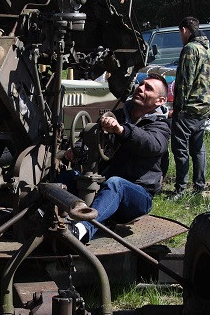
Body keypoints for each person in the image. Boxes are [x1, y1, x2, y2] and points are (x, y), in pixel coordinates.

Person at [65, 74, 171, 243]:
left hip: (138, 195)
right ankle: (39, 214)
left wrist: (122, 130)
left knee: (116, 184)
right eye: (141, 84)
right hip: (106, 187)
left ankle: (83, 229)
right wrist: (77, 150)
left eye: (148, 88)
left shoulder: (160, 126)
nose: (140, 88)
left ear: (160, 101)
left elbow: (151, 145)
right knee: (69, 178)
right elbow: (92, 139)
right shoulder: (117, 115)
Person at [171, 16, 210, 198]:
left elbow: (184, 81)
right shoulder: (207, 50)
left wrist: (178, 107)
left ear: (185, 30)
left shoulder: (190, 49)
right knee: (198, 148)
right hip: (203, 107)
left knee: (180, 149)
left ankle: (181, 188)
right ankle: (199, 185)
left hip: (188, 108)